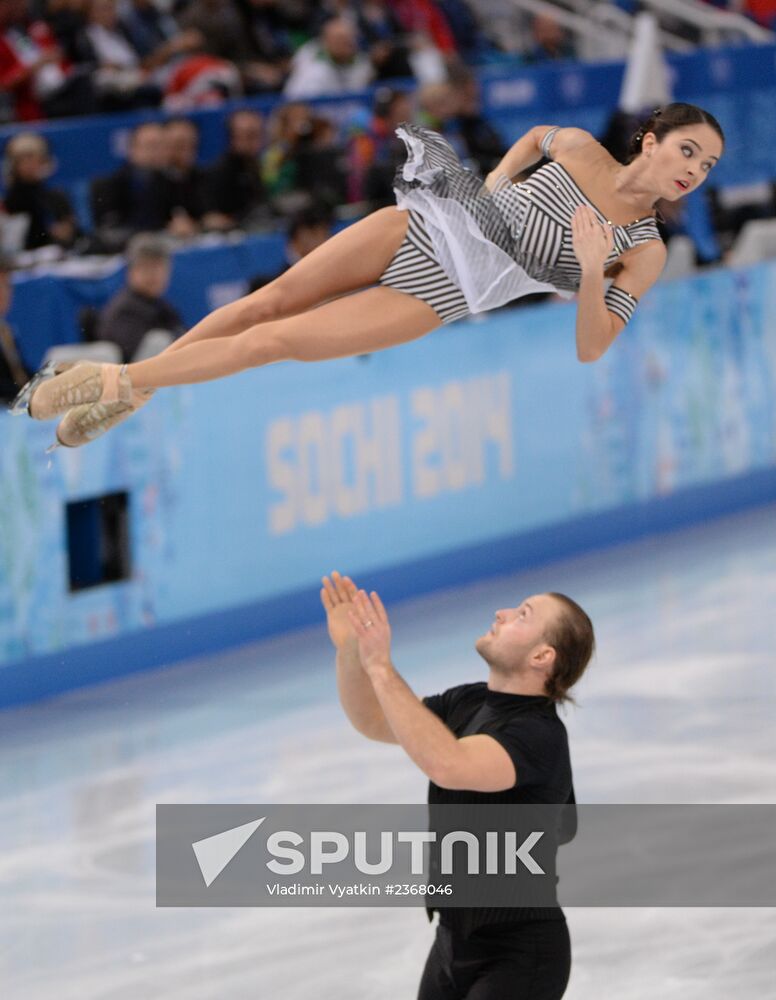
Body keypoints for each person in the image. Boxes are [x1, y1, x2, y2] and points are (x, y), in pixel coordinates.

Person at [14, 103, 724, 449]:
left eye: (706, 165)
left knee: (276, 343)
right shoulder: (578, 147)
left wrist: (595, 270)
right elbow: (537, 136)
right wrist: (496, 184)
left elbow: (593, 346)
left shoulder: (646, 247)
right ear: (651, 140)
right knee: (269, 303)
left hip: (444, 291)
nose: (692, 171)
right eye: (686, 150)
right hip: (420, 226)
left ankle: (115, 383)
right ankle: (137, 392)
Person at [320, 571, 594, 999]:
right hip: (452, 944)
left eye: (522, 614)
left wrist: (381, 665)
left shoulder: (538, 736)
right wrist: (352, 652)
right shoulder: (468, 701)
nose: (502, 613)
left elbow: (448, 764)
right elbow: (375, 719)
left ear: (542, 656)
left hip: (518, 955)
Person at [94, 233, 183, 363]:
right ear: (131, 271)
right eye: (147, 267)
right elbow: (134, 362)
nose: (154, 275)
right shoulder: (125, 310)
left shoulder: (161, 305)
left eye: (159, 267)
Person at [0, 253, 31, 405]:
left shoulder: (6, 330)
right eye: (3, 286)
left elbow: (22, 374)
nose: (7, 293)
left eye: (8, 286)